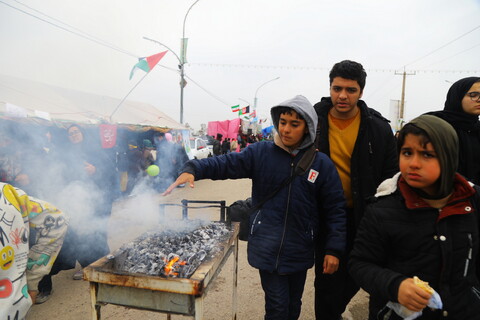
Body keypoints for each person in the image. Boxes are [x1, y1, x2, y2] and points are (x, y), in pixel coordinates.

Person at [163, 95, 347, 320]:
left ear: (308, 128)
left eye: (294, 124)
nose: (286, 129)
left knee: (293, 306)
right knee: (278, 307)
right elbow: (226, 164)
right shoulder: (261, 153)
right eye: (283, 122)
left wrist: (333, 249)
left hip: (300, 248)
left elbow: (335, 209)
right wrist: (194, 168)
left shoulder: (322, 165)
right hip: (266, 249)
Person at [349, 115, 480, 319]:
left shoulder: (472, 201)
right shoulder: (382, 208)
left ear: (448, 156)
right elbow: (359, 264)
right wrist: (395, 285)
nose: (414, 163)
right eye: (407, 152)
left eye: (427, 154)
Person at [313, 59, 398, 320]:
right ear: (330, 87)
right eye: (337, 88)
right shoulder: (312, 120)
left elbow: (391, 175)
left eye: (350, 90)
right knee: (327, 277)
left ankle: (336, 310)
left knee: (359, 273)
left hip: (364, 215)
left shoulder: (378, 128)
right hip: (324, 215)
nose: (342, 95)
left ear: (361, 92)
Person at [0, 182, 67, 318]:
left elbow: (55, 218)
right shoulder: (6, 192)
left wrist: (31, 280)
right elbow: (57, 218)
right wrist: (31, 283)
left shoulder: (7, 193)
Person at [427, 76, 480, 185]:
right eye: (473, 95)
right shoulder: (436, 126)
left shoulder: (477, 129)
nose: (479, 99)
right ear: (457, 96)